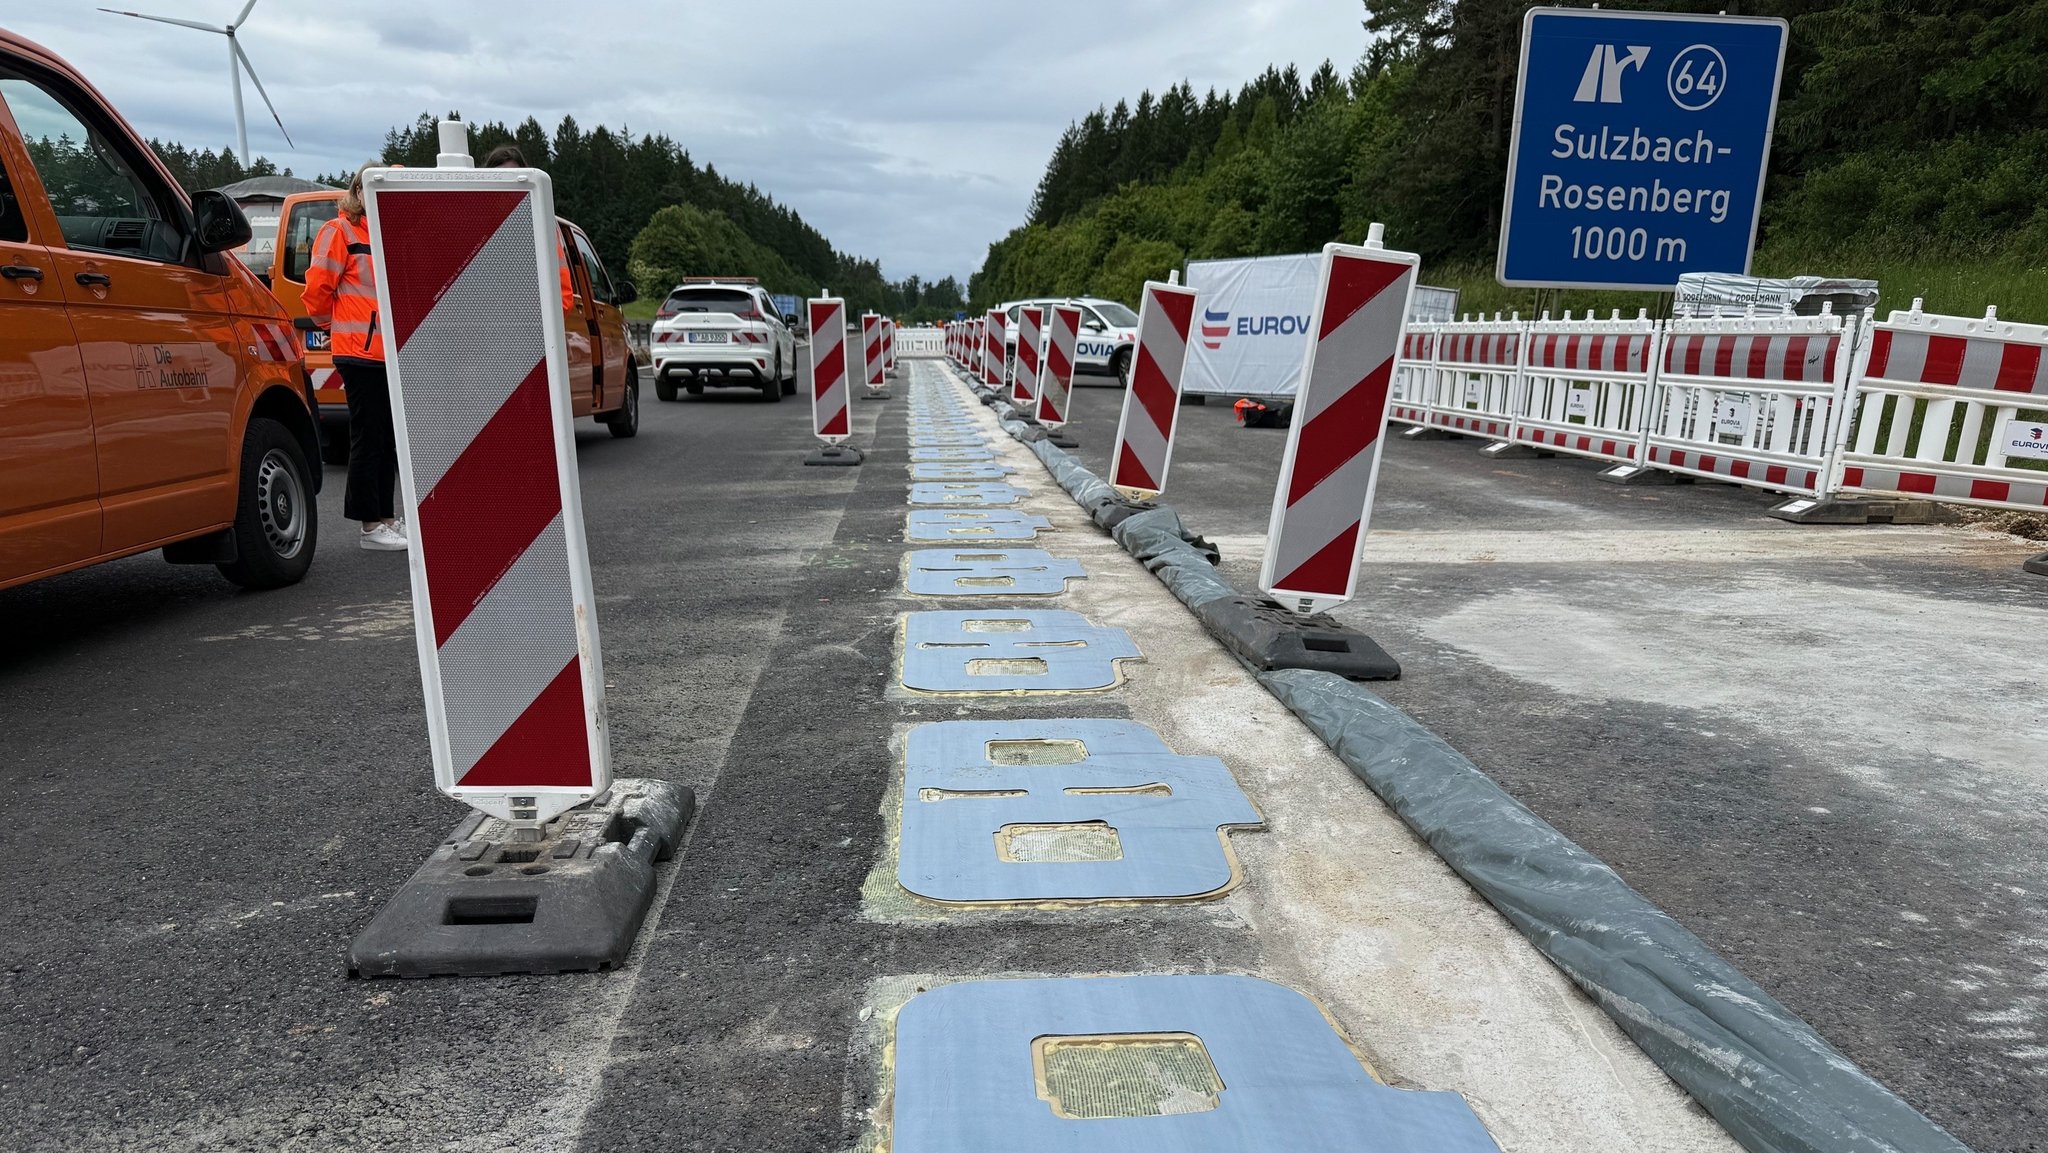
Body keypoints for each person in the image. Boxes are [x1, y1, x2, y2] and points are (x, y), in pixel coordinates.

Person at [303, 163, 405, 552]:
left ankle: (385, 519)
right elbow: (317, 290)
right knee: (369, 437)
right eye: (373, 187)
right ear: (358, 191)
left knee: (385, 437)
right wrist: (336, 325)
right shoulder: (340, 231)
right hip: (359, 351)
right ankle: (370, 525)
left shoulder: (381, 232)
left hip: (382, 351)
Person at [481, 144, 574, 311]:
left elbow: (562, 298)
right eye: (499, 181)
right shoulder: (474, 228)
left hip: (532, 324)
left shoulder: (542, 223)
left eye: (512, 180)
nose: (506, 189)